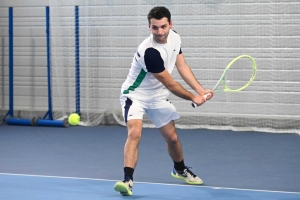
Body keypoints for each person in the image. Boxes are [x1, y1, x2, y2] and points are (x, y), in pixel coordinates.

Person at [114, 6, 214, 196]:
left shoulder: (175, 37)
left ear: (170, 24)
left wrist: (200, 90)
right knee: (134, 132)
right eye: (155, 28)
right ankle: (127, 181)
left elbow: (182, 65)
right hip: (135, 95)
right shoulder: (149, 52)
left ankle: (180, 169)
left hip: (157, 96)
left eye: (163, 26)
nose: (159, 32)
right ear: (149, 27)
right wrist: (193, 97)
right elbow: (171, 84)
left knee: (172, 138)